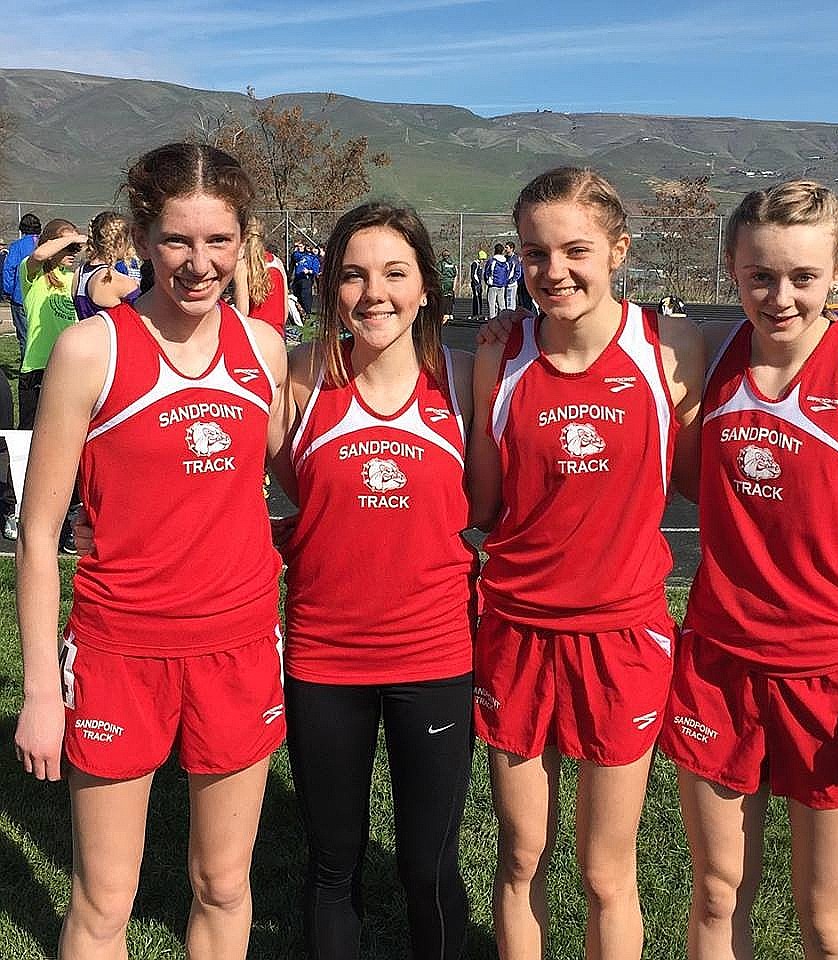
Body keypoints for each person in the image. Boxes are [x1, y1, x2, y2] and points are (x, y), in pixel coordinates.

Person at [14, 141, 289, 960]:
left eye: (217, 241)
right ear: (139, 237)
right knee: (104, 901)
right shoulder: (91, 350)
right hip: (118, 650)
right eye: (177, 239)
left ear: (244, 242)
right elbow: (36, 536)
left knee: (224, 886)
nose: (198, 263)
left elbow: (270, 483)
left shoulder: (263, 350)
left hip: (238, 648)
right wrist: (39, 691)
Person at [657, 180, 838, 960]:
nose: (781, 297)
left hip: (834, 676)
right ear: (731, 269)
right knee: (716, 895)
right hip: (718, 665)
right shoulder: (706, 353)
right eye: (761, 276)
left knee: (829, 919)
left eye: (803, 277)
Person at [468, 166, 703, 959]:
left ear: (618, 251)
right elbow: (482, 507)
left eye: (575, 251)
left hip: (621, 637)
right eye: (535, 254)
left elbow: (718, 478)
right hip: (516, 632)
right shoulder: (499, 358)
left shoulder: (670, 348)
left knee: (607, 872)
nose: (554, 272)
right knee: (521, 856)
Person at [278, 201, 476, 960]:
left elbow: (488, 500)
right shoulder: (298, 380)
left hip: (434, 660)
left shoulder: (464, 381)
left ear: (426, 284)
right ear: (330, 288)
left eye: (395, 272)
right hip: (325, 661)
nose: (374, 293)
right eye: (354, 275)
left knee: (428, 866)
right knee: (333, 866)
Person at [18, 218, 85, 431]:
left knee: (64, 432)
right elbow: (38, 255)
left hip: (68, 367)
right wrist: (73, 238)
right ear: (50, 243)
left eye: (76, 248)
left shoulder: (74, 277)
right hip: (37, 366)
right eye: (67, 247)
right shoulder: (33, 273)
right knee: (30, 435)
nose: (73, 251)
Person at [72, 211, 141, 320]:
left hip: (87, 335)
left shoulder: (79, 274)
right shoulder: (117, 280)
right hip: (112, 336)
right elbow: (146, 314)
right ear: (120, 242)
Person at [234, 215, 289, 340]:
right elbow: (285, 313)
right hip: (277, 336)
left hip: (254, 337)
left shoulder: (242, 265)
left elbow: (242, 313)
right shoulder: (278, 262)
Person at [2, 212, 42, 358]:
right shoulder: (44, 245)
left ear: (22, 229)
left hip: (20, 297)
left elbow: (9, 268)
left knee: (25, 336)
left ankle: (28, 370)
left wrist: (8, 290)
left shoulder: (17, 246)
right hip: (41, 296)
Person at [483, 242, 512, 320]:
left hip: (492, 285)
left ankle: (492, 320)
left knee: (491, 304)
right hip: (502, 285)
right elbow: (508, 273)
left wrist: (487, 281)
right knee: (501, 303)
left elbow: (486, 272)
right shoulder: (506, 262)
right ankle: (504, 320)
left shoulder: (492, 261)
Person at [438, 247, 458, 321]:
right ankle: (450, 313)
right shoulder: (453, 264)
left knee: (444, 298)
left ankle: (444, 313)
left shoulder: (441, 263)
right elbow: (455, 273)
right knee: (450, 298)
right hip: (451, 282)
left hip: (443, 282)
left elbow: (438, 273)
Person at [503, 241, 521, 310]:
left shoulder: (515, 259)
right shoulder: (505, 258)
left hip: (511, 285)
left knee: (510, 301)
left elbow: (517, 272)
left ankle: (511, 317)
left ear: (511, 248)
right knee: (505, 301)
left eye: (507, 247)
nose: (505, 249)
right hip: (505, 284)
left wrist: (511, 281)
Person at [470, 249, 487, 321]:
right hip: (476, 284)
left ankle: (479, 313)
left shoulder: (479, 265)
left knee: (479, 299)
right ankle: (475, 313)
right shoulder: (475, 264)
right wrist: (477, 283)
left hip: (479, 284)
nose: (483, 261)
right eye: (482, 259)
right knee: (476, 298)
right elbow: (473, 274)